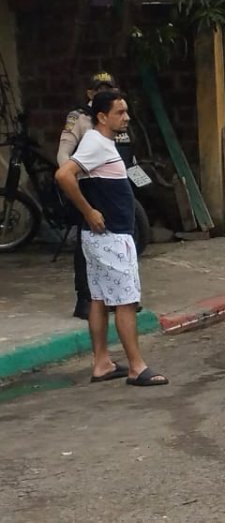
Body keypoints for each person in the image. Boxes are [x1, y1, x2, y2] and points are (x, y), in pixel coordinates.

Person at [54, 90, 168, 386]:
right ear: (102, 117)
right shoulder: (94, 143)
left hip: (103, 237)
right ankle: (136, 366)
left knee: (100, 299)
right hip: (111, 237)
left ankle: (102, 362)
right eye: (120, 112)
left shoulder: (100, 142)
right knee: (126, 302)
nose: (126, 117)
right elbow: (64, 175)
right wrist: (89, 211)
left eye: (126, 111)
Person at [58, 72, 136, 320]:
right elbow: (64, 158)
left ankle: (121, 297)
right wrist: (79, 185)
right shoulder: (81, 119)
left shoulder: (118, 113)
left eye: (109, 87)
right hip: (90, 189)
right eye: (100, 88)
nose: (105, 91)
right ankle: (84, 297)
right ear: (90, 94)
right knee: (87, 247)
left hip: (115, 185)